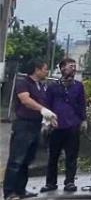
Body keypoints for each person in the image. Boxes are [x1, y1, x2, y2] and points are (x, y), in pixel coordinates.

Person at [3, 59, 57, 200]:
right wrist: (42, 109)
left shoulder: (40, 86)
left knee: (27, 159)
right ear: (37, 70)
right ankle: (9, 192)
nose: (47, 72)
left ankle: (21, 189)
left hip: (35, 125)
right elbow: (25, 100)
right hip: (23, 125)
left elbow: (43, 105)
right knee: (16, 160)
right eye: (45, 69)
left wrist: (49, 117)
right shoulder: (24, 83)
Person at [41, 58, 87, 193]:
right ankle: (50, 183)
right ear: (62, 69)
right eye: (70, 66)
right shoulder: (53, 87)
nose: (73, 68)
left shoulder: (78, 86)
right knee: (53, 156)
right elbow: (46, 106)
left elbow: (82, 104)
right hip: (56, 126)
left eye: (74, 66)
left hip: (72, 125)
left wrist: (83, 120)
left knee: (71, 155)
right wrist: (46, 123)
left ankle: (70, 182)